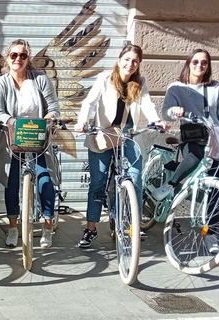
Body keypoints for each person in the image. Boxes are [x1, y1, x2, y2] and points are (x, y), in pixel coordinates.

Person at [74, 44, 169, 248]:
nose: (130, 64)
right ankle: (90, 228)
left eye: (135, 61)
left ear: (138, 64)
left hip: (127, 136)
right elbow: (89, 103)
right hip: (103, 135)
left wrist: (156, 120)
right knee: (98, 184)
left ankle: (131, 224)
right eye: (127, 59)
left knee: (134, 178)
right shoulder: (105, 79)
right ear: (119, 60)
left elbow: (147, 104)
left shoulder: (139, 82)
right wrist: (83, 121)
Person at [151, 48, 219, 253]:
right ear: (188, 63)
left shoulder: (215, 87)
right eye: (196, 62)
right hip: (192, 134)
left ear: (208, 66)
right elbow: (168, 112)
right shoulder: (177, 88)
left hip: (216, 136)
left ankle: (210, 234)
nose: (199, 66)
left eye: (204, 63)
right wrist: (175, 111)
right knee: (195, 155)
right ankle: (171, 185)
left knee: (217, 186)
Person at [0, 39, 60, 249]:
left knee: (45, 179)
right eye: (14, 55)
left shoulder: (40, 79)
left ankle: (48, 227)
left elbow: (54, 106)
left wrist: (48, 119)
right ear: (7, 58)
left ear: (28, 59)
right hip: (11, 139)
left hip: (38, 137)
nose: (18, 59)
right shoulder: (0, 83)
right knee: (11, 182)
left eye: (23, 55)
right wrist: (12, 123)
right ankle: (13, 227)